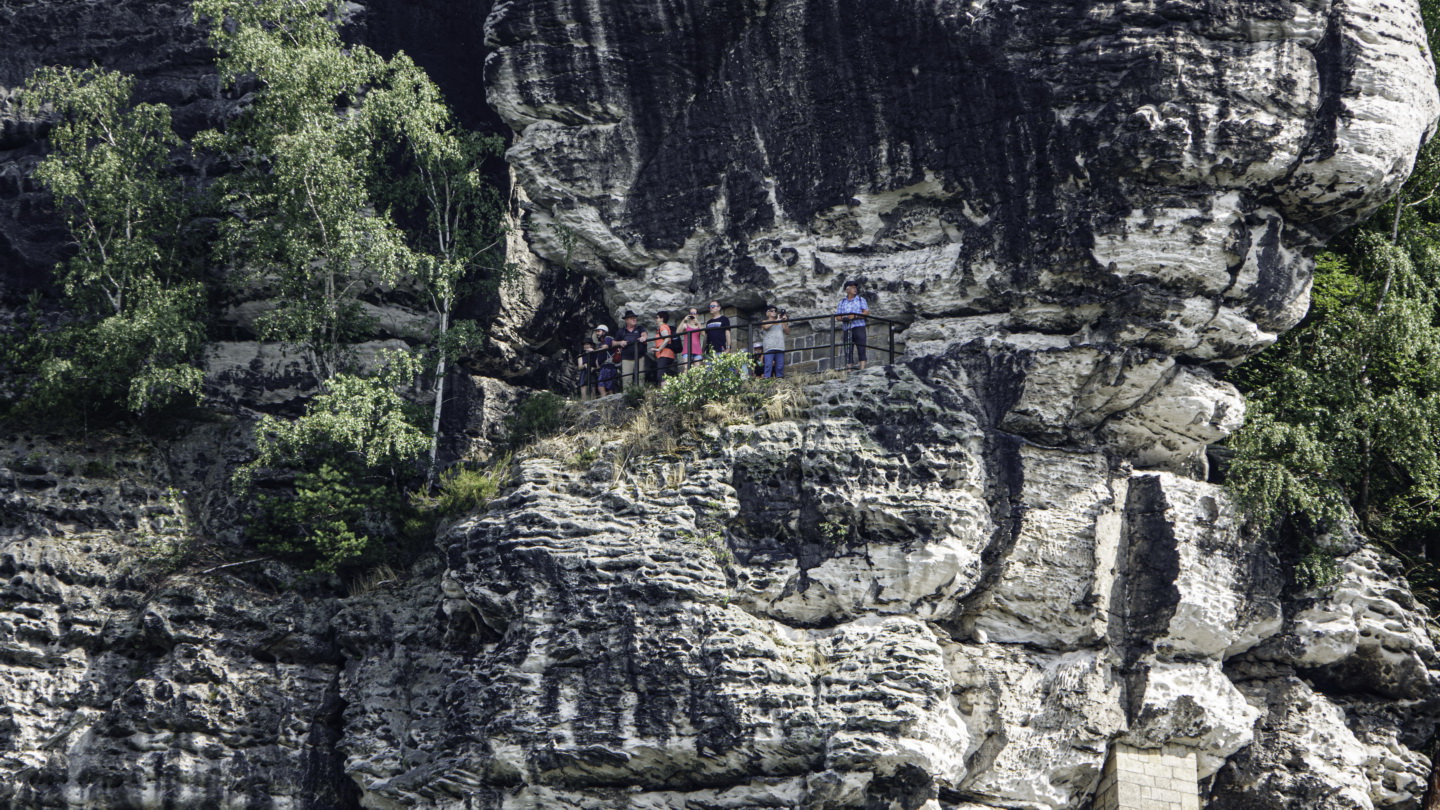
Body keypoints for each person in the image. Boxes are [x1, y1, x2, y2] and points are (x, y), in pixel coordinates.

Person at [834, 281, 870, 370]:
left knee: (861, 347)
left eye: (855, 287)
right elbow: (837, 316)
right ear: (847, 290)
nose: (855, 289)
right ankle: (849, 369)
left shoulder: (861, 300)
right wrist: (844, 318)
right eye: (852, 287)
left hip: (859, 326)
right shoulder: (842, 302)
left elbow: (866, 312)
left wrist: (855, 316)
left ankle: (862, 369)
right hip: (847, 327)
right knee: (848, 349)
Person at [614, 310, 648, 388]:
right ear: (626, 320)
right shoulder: (621, 331)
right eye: (632, 318)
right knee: (626, 378)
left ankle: (641, 393)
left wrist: (643, 337)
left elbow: (644, 334)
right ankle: (627, 395)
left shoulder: (639, 328)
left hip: (639, 357)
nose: (634, 319)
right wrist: (620, 342)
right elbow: (613, 343)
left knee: (641, 376)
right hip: (626, 358)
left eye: (635, 318)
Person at [760, 306, 790, 378]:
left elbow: (787, 332)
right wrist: (776, 321)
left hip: (780, 346)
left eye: (775, 311)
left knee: (780, 365)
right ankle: (767, 379)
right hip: (769, 346)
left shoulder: (780, 322)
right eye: (771, 311)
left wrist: (784, 322)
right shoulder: (765, 321)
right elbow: (766, 327)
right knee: (768, 365)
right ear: (767, 313)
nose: (774, 312)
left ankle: (779, 379)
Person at [652, 311, 677, 383]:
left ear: (662, 318)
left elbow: (667, 338)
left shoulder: (663, 327)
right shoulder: (663, 327)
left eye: (657, 317)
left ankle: (665, 391)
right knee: (664, 373)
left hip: (664, 354)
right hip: (665, 354)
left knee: (661, 375)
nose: (656, 319)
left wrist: (659, 348)